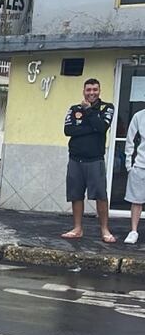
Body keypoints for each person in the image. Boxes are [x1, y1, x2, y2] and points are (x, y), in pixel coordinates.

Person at [62, 78, 116, 242]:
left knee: (101, 195)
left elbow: (102, 127)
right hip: (75, 160)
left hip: (95, 160)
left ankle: (105, 230)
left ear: (99, 91)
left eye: (95, 89)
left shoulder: (107, 107)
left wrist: (89, 112)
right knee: (76, 195)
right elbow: (68, 130)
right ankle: (78, 229)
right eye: (88, 90)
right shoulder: (74, 108)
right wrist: (92, 128)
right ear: (83, 91)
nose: (91, 92)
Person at [123, 107, 145, 244]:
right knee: (136, 200)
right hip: (140, 165)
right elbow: (130, 139)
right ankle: (133, 231)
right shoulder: (139, 116)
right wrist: (128, 164)